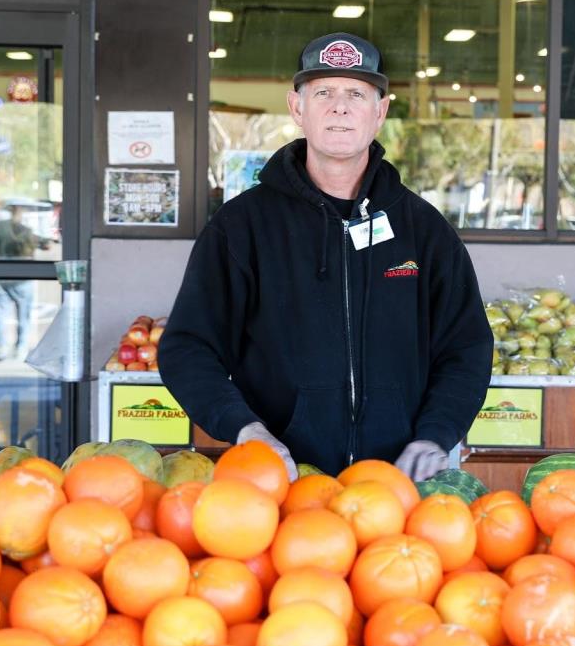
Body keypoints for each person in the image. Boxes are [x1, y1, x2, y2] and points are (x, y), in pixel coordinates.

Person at [159, 33, 493, 480]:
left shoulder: (424, 230)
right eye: (324, 92)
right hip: (281, 481)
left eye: (357, 93)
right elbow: (188, 347)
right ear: (297, 108)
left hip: (396, 483)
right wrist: (245, 429)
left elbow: (466, 347)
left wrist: (436, 433)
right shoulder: (241, 227)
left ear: (381, 111)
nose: (340, 106)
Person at [0, 199, 50, 361]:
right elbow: (47, 245)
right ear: (22, 214)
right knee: (24, 315)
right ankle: (21, 348)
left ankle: (2, 348)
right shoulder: (28, 231)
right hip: (23, 278)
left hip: (1, 276)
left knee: (1, 313)